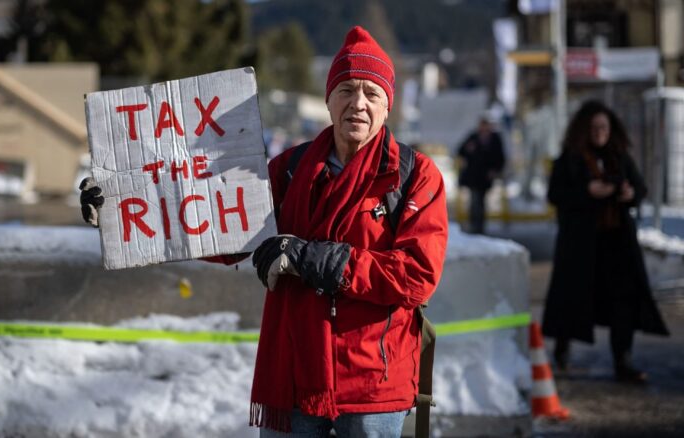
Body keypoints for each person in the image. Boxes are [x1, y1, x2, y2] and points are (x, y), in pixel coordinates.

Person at [80, 26, 448, 437]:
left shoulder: (415, 176)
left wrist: (312, 258)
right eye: (346, 90)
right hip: (293, 376)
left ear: (387, 106)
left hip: (372, 386)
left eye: (371, 93)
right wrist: (119, 209)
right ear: (328, 100)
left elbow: (416, 275)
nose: (358, 103)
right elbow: (218, 227)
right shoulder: (288, 169)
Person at [541, 100, 669, 383]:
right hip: (580, 245)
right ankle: (562, 350)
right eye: (594, 128)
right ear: (583, 130)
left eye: (604, 127)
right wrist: (587, 191)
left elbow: (640, 187)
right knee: (572, 299)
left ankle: (623, 360)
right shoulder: (570, 159)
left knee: (623, 301)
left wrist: (629, 194)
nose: (600, 133)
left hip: (617, 243)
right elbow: (555, 194)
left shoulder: (618, 157)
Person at [456, 116, 505, 234]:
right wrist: (468, 149)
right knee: (474, 201)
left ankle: (479, 226)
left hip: (485, 176)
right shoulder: (473, 137)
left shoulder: (494, 139)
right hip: (473, 175)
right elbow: (461, 150)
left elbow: (500, 157)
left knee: (480, 201)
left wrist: (495, 170)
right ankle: (474, 225)